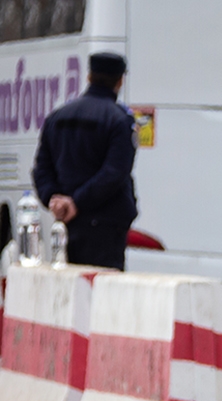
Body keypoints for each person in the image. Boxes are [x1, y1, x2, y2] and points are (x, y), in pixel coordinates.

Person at [31, 51, 138, 270]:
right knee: (102, 293)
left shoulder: (58, 116)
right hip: (106, 226)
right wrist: (77, 202)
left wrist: (55, 199)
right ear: (120, 80)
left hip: (66, 223)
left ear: (89, 77)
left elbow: (42, 168)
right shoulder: (120, 120)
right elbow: (114, 173)